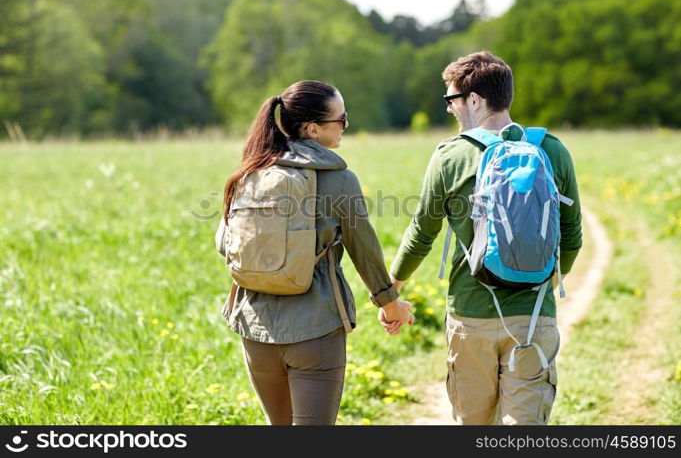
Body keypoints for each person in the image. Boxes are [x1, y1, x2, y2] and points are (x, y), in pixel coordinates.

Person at [385, 52, 583, 425]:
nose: (448, 110)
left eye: (451, 100)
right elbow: (572, 236)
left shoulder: (450, 156)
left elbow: (421, 234)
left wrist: (391, 291)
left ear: (474, 99)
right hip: (534, 313)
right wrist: (550, 280)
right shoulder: (552, 149)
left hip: (471, 314)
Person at [216, 80, 413, 425]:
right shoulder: (339, 180)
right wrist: (391, 303)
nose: (345, 127)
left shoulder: (251, 172)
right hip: (315, 331)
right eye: (342, 119)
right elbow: (363, 249)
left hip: (255, 331)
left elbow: (225, 244)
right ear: (313, 129)